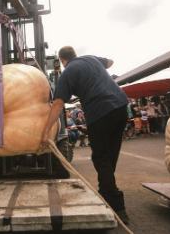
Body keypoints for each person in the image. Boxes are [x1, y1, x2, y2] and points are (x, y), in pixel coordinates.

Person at [41, 46, 129, 223]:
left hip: (99, 113)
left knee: (101, 158)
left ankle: (116, 206)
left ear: (62, 60)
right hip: (121, 106)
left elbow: (57, 104)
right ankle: (106, 189)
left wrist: (45, 132)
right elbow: (110, 62)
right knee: (110, 155)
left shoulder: (67, 74)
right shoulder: (90, 58)